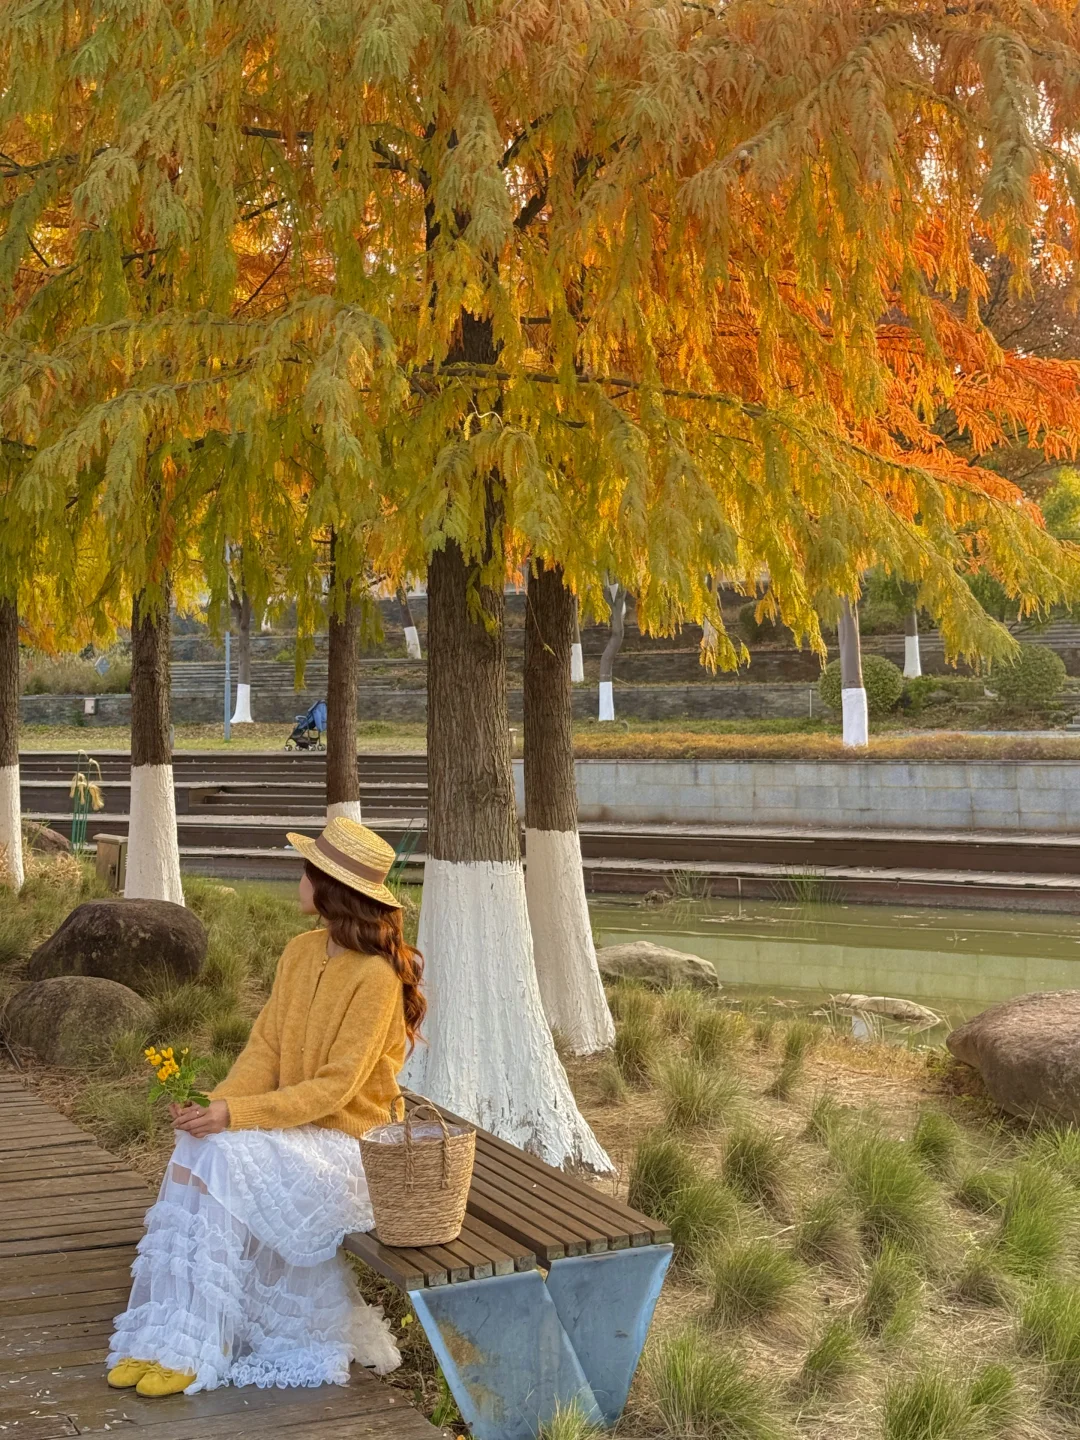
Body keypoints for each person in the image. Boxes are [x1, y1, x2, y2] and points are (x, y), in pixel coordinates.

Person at [106, 817, 425, 1397]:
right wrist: (214, 1106)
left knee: (226, 1157)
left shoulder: (377, 978)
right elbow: (266, 1049)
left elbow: (335, 1088)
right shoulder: (300, 952)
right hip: (294, 1133)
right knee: (198, 1144)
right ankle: (169, 1334)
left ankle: (201, 1348)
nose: (298, 878)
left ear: (330, 887)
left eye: (307, 870)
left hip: (352, 1149)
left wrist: (238, 1117)